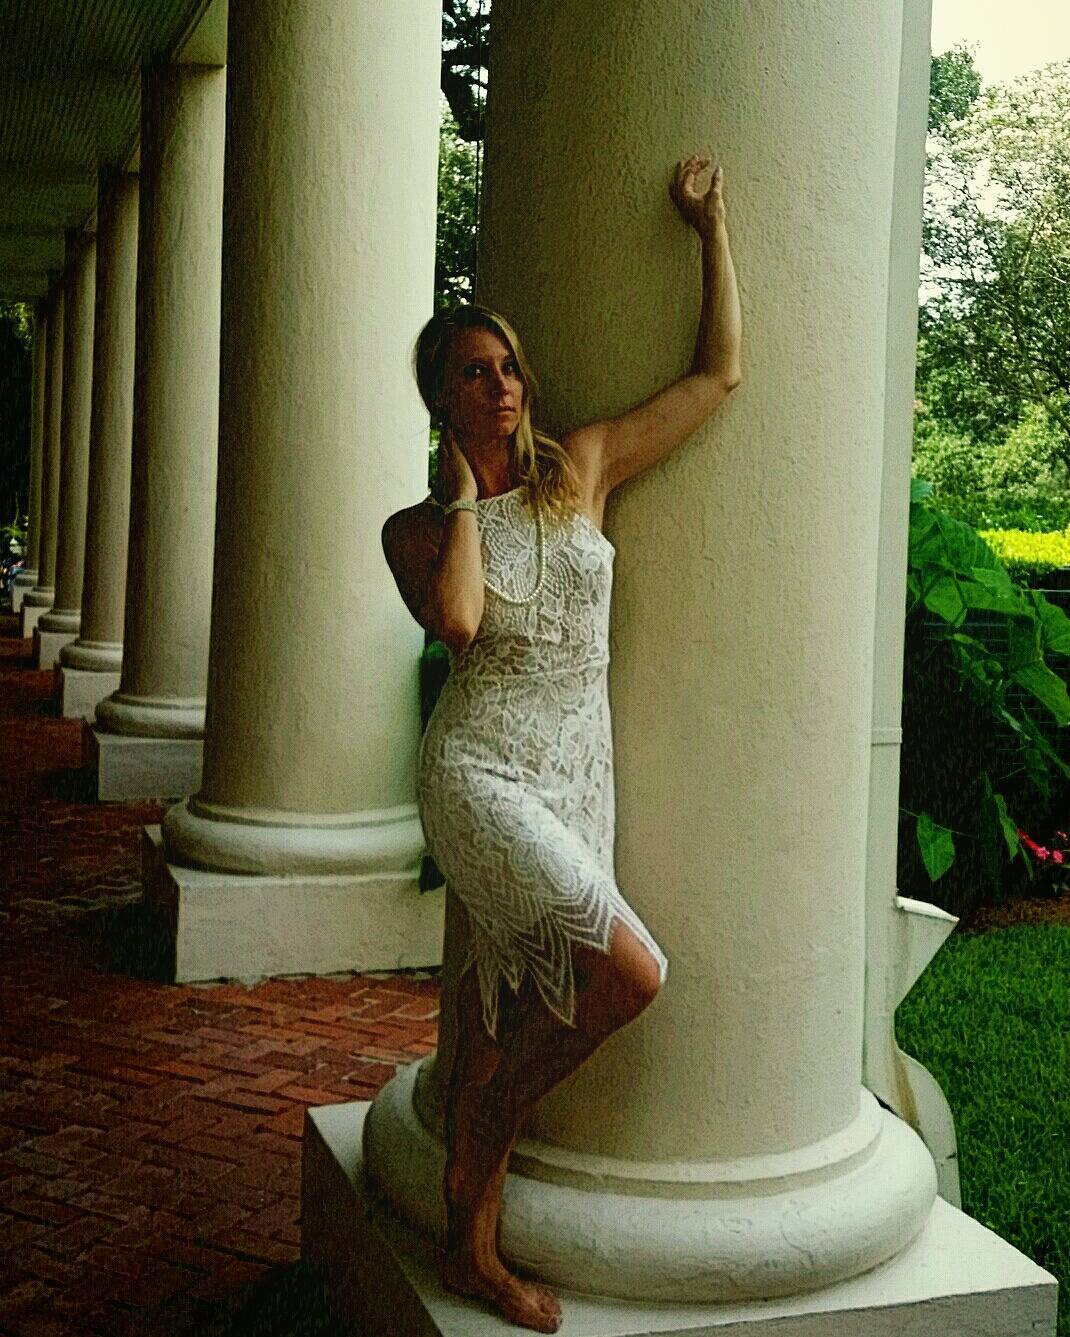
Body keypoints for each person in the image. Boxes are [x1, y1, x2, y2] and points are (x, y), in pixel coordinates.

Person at [381, 154, 742, 1334]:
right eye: (471, 373)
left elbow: (715, 375)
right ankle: (483, 1125)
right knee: (630, 973)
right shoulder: (416, 529)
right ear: (440, 401)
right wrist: (460, 497)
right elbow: (458, 622)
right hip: (477, 773)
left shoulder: (581, 468)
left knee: (496, 1014)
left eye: (507, 367)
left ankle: (468, 1247)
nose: (500, 387)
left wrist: (709, 228)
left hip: (573, 771)